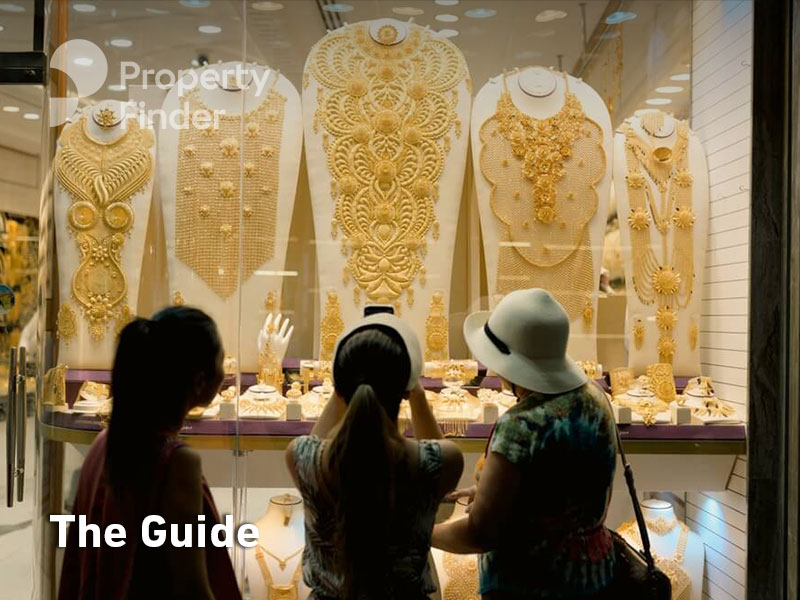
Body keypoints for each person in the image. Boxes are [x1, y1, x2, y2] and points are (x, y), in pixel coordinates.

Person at [432, 289, 618, 599]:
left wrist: (421, 533)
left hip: (528, 584)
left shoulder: (520, 425)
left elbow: (480, 533)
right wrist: (496, 491)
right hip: (596, 578)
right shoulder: (596, 400)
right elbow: (563, 488)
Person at [58, 307, 241, 600]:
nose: (226, 374)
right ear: (199, 381)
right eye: (222, 362)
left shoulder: (103, 443)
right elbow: (192, 588)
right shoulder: (177, 463)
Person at [286, 313, 464, 600]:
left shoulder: (302, 457)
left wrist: (342, 390)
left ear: (341, 388)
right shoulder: (439, 462)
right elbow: (437, 448)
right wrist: (416, 392)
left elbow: (313, 441)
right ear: (405, 390)